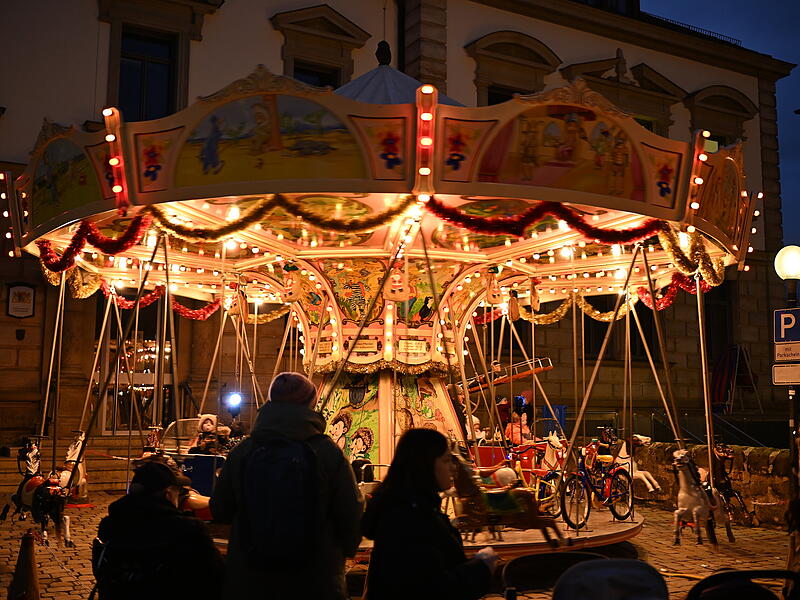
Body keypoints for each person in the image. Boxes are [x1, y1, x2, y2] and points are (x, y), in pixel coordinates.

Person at [210, 372, 363, 600]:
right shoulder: (326, 451)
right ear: (310, 402)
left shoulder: (244, 451)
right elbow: (350, 508)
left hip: (252, 574)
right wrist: (345, 551)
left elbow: (221, 508)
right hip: (314, 575)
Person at [362, 428, 498, 600]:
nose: (453, 468)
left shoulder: (412, 507)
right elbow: (431, 587)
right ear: (426, 464)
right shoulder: (410, 517)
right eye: (446, 460)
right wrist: (481, 568)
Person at [92, 458, 224, 600]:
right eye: (177, 492)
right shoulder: (189, 530)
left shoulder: (109, 525)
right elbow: (216, 578)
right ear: (168, 494)